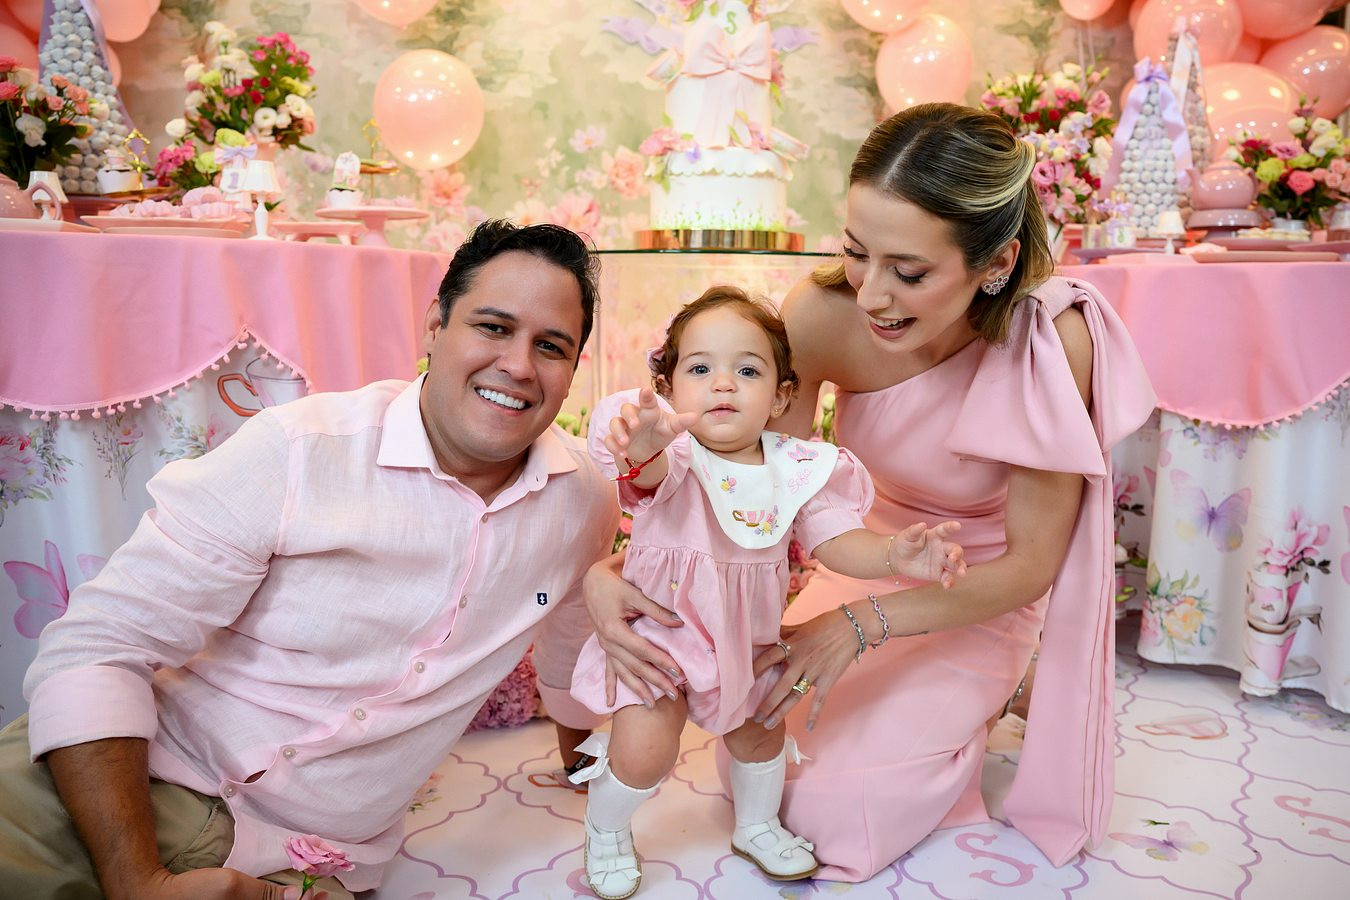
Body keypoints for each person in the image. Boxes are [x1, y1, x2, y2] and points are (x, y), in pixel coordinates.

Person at [580, 102, 1157, 881]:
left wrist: (858, 625)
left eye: (909, 272)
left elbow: (1029, 568)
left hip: (973, 592)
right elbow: (748, 490)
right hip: (851, 550)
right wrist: (610, 574)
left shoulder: (1050, 341)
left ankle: (1001, 685)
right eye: (857, 253)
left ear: (995, 262)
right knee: (764, 756)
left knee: (839, 811)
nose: (874, 295)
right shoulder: (822, 317)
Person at [0, 220, 620, 899]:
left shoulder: (583, 503)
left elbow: (572, 641)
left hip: (304, 860)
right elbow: (99, 647)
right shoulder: (300, 451)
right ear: (434, 326)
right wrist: (136, 881)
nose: (520, 366)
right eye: (493, 327)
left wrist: (585, 771)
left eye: (551, 346)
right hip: (115, 776)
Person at [567, 287, 966, 899]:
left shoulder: (796, 468)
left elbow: (838, 540)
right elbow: (645, 475)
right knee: (645, 749)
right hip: (660, 644)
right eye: (700, 369)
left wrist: (896, 553)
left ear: (781, 396)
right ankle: (607, 827)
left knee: (762, 733)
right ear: (668, 387)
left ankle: (756, 824)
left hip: (747, 643)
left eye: (748, 371)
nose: (723, 384)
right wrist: (643, 446)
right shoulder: (675, 455)